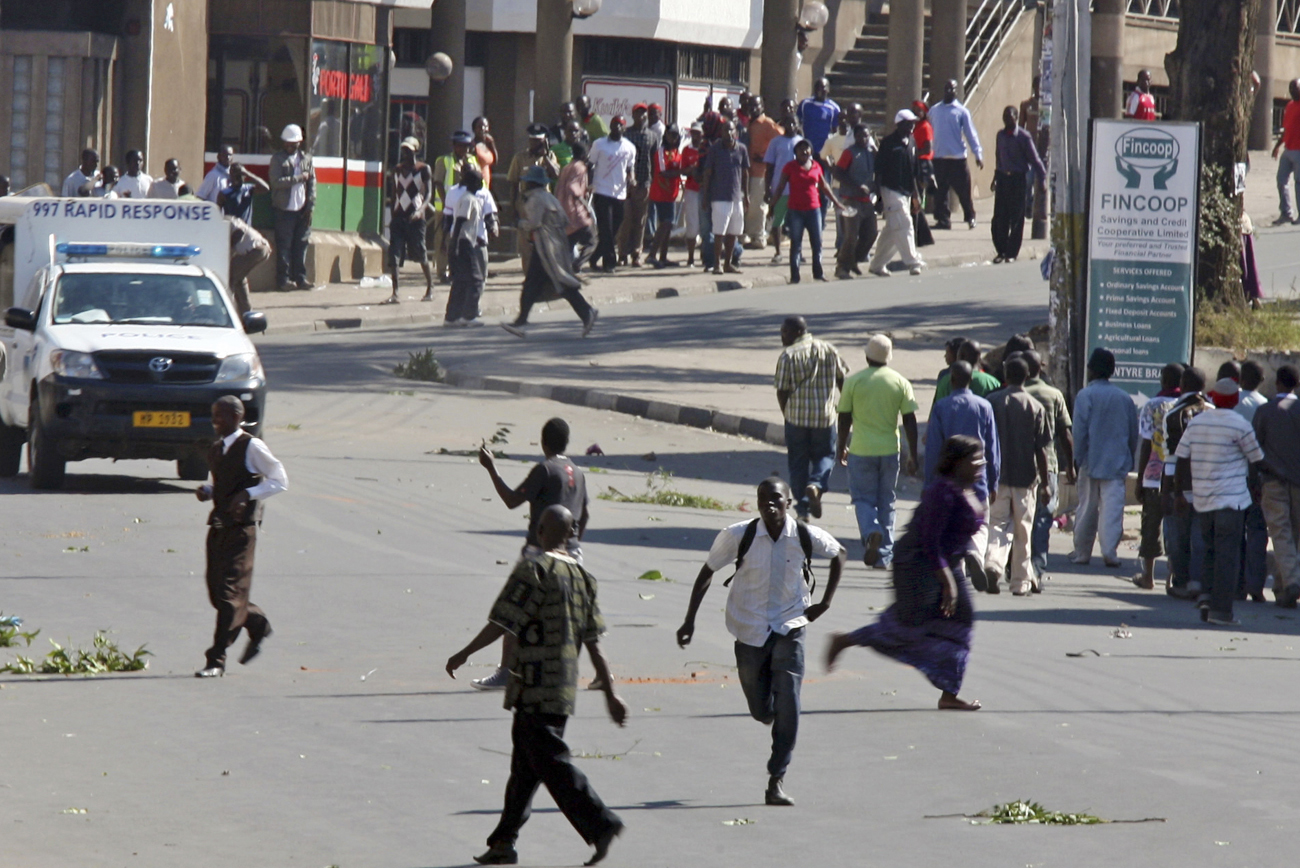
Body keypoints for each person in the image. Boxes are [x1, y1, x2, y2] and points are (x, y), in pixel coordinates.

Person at [447, 505, 626, 867]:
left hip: (533, 685)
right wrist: (610, 693)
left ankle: (601, 823)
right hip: (562, 688)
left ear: (541, 530)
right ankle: (503, 842)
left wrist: (463, 653)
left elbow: (503, 622)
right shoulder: (584, 578)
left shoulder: (535, 569)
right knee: (525, 769)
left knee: (551, 763)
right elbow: (594, 643)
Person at [676, 477, 846, 807]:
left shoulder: (804, 535)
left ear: (789, 503)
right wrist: (689, 620)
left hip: (791, 625)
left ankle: (776, 778)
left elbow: (839, 553)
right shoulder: (739, 535)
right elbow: (707, 571)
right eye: (763, 499)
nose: (769, 504)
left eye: (776, 499)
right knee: (759, 708)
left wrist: (824, 602)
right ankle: (768, 713)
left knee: (790, 702)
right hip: (749, 628)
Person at [825, 434, 985, 711]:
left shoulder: (971, 489)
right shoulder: (942, 492)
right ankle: (846, 640)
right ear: (957, 462)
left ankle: (948, 693)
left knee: (962, 620)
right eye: (974, 459)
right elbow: (929, 540)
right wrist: (947, 582)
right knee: (906, 627)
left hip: (947, 564)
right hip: (918, 565)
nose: (980, 464)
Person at [474, 418, 591, 690]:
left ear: (544, 442)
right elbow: (585, 514)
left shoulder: (545, 470)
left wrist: (491, 468)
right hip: (573, 553)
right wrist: (574, 545)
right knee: (571, 615)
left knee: (513, 610)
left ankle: (506, 672)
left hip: (539, 553)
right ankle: (585, 673)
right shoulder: (578, 471)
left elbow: (512, 500)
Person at [194, 396, 287, 678]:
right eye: (213, 415)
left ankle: (216, 659)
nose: (216, 421)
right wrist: (208, 491)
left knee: (229, 596)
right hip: (218, 527)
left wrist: (250, 494)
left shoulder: (252, 446)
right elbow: (219, 482)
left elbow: (279, 479)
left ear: (237, 416)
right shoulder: (216, 449)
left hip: (241, 531)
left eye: (221, 415)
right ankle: (257, 623)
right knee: (216, 592)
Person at [1174, 390, 1265, 626]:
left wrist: (1182, 493)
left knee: (1210, 549)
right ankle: (1221, 611)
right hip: (1231, 501)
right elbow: (1256, 460)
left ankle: (1206, 596)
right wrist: (1257, 489)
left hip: (1203, 499)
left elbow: (1182, 458)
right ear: (1235, 400)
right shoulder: (1240, 424)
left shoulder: (1197, 422)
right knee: (1227, 556)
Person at [837, 334, 920, 569]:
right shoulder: (899, 382)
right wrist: (913, 454)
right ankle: (884, 555)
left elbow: (843, 417)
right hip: (889, 451)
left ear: (866, 355)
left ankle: (871, 531)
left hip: (861, 450)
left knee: (863, 499)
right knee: (887, 501)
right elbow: (910, 420)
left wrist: (842, 446)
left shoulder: (854, 382)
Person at [925, 361, 999, 588]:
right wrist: (993, 481)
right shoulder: (984, 406)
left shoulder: (941, 407)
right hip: (977, 478)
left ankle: (957, 570)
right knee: (980, 524)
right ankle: (975, 553)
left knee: (950, 527)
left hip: (948, 481)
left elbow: (933, 448)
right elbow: (992, 448)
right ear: (971, 380)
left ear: (952, 381)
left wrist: (930, 483)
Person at [504, 166, 597, 337]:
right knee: (556, 283)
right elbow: (564, 219)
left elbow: (533, 223)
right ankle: (586, 312)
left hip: (544, 248)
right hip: (557, 245)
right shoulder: (550, 197)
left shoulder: (534, 200)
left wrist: (519, 223)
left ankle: (522, 321)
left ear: (531, 183)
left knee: (536, 283)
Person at [984, 358, 1050, 595]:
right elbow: (1041, 449)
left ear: (1005, 375)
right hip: (1025, 478)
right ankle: (1020, 582)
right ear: (1027, 377)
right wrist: (1046, 484)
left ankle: (993, 564)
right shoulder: (1035, 406)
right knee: (1023, 530)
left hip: (997, 477)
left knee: (998, 524)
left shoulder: (992, 402)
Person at [1071, 348, 1139, 569]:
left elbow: (1079, 432)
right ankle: (1110, 552)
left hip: (1090, 460)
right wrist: (1128, 458)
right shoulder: (1124, 398)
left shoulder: (1085, 395)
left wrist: (1077, 458)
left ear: (1090, 370)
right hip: (1116, 462)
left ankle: (1082, 552)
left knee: (1087, 507)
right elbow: (1133, 433)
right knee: (1112, 508)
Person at [775, 317, 850, 519]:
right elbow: (843, 381)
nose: (782, 336)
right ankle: (816, 485)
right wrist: (845, 408)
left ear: (798, 332)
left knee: (798, 463)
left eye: (785, 332)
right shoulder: (829, 349)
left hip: (796, 418)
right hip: (825, 418)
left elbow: (781, 391)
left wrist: (787, 413)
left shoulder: (787, 356)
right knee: (825, 456)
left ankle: (803, 508)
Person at [1023, 350, 1074, 585]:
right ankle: (1037, 568)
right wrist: (1070, 466)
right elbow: (1065, 434)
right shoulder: (1054, 395)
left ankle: (1017, 568)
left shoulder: (1014, 394)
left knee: (1019, 518)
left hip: (1018, 467)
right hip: (1049, 466)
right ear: (1041, 366)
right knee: (1042, 519)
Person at [1163, 367, 1213, 598]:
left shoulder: (1173, 414)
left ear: (1182, 384)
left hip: (1179, 484)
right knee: (1201, 536)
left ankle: (1181, 581)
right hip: (1208, 482)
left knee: (1177, 536)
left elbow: (1172, 456)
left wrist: (1169, 488)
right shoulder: (1214, 412)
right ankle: (1198, 582)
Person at [1133, 363, 1184, 589]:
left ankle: (1148, 576)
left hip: (1154, 475)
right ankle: (1174, 574)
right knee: (1177, 526)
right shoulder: (1192, 406)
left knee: (1151, 525)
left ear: (1163, 381)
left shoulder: (1153, 405)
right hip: (1182, 478)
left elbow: (1146, 444)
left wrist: (1140, 477)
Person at [766, 138, 844, 283]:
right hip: (796, 211)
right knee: (796, 244)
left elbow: (824, 186)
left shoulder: (816, 167)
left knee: (817, 243)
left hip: (814, 210)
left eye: (807, 148)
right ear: (795, 152)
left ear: (811, 152)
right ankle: (795, 276)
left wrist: (836, 202)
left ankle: (818, 273)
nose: (804, 151)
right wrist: (772, 206)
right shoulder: (790, 167)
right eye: (801, 149)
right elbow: (780, 187)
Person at [1253, 365, 1300, 607]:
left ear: (1277, 383)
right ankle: (1283, 591)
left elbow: (1254, 449)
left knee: (1280, 532)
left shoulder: (1265, 411)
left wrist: (1254, 481)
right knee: (1294, 534)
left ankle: (1291, 582)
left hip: (1272, 480)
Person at [867, 109, 924, 277]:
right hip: (890, 190)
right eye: (908, 123)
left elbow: (913, 171)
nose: (912, 126)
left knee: (893, 230)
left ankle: (877, 264)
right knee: (905, 222)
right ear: (899, 124)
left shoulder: (912, 142)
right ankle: (913, 262)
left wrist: (915, 195)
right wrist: (878, 196)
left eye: (913, 122)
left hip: (906, 191)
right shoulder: (888, 143)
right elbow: (879, 171)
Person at [381, 137, 435, 305]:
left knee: (420, 253)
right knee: (394, 254)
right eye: (404, 150)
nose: (406, 153)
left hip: (415, 218)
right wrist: (392, 215)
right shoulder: (396, 170)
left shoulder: (423, 169)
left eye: (409, 150)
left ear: (416, 151)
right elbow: (393, 193)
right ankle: (395, 292)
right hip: (398, 217)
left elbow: (428, 194)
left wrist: (421, 210)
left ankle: (430, 287)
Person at [442, 166, 498, 327]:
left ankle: (452, 317)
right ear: (471, 183)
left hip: (465, 242)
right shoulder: (468, 200)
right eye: (478, 181)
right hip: (464, 242)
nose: (481, 183)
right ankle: (468, 315)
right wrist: (454, 245)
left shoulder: (472, 198)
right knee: (476, 279)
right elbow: (459, 221)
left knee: (461, 281)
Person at [991, 106, 1045, 264]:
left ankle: (1011, 252)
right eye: (1005, 117)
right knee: (999, 218)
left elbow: (1035, 160)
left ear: (1016, 118)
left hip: (1017, 179)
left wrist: (1042, 179)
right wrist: (995, 177)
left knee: (1016, 218)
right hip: (1002, 179)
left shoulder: (1024, 137)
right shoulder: (1000, 135)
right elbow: (998, 157)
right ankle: (1000, 250)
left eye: (1011, 117)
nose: (1008, 120)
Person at [928, 80, 984, 230]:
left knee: (964, 192)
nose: (948, 91)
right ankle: (943, 220)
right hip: (939, 158)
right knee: (940, 193)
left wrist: (978, 154)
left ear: (956, 91)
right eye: (946, 89)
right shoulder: (934, 110)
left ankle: (970, 217)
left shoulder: (962, 111)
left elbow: (970, 134)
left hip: (957, 159)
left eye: (952, 89)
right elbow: (929, 132)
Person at [508, 124, 561, 276]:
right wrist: (513, 209)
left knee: (545, 242)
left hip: (544, 205)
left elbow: (555, 175)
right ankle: (528, 276)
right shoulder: (520, 158)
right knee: (526, 245)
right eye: (532, 140)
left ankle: (544, 275)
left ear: (544, 141)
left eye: (538, 141)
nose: (534, 144)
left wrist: (545, 155)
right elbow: (513, 184)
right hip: (525, 205)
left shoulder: (549, 157)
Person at [269, 124, 316, 291]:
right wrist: (297, 178)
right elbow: (275, 183)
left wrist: (310, 206)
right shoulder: (278, 159)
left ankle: (300, 278)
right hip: (284, 210)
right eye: (286, 144)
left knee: (301, 245)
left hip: (301, 209)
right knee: (284, 246)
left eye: (292, 144)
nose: (289, 147)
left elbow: (312, 183)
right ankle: (283, 280)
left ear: (298, 144)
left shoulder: (306, 159)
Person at [701, 118, 750, 276]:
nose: (728, 133)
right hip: (719, 197)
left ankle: (728, 263)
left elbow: (745, 174)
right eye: (725, 130)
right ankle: (717, 264)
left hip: (737, 197)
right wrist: (705, 196)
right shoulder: (715, 149)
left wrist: (746, 196)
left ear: (735, 132)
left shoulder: (742, 149)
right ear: (721, 133)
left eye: (731, 130)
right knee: (719, 233)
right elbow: (708, 174)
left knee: (733, 233)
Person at [587, 116, 636, 273]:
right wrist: (588, 184)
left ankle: (594, 257)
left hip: (619, 193)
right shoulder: (599, 144)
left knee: (614, 229)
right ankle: (610, 263)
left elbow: (630, 168)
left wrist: (632, 179)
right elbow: (590, 164)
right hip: (602, 191)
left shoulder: (629, 147)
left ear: (624, 128)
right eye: (614, 125)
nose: (616, 127)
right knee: (606, 229)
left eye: (620, 125)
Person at [432, 131, 480, 283]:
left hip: (465, 207)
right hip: (445, 208)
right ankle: (442, 272)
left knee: (462, 238)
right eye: (461, 146)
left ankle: (457, 270)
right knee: (443, 239)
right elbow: (438, 183)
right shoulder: (444, 160)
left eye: (467, 146)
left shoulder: (472, 160)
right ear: (454, 146)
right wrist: (448, 204)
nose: (464, 149)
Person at [616, 104, 660, 268]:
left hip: (644, 182)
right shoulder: (626, 134)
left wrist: (652, 181)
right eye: (638, 113)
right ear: (633, 115)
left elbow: (654, 159)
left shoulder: (652, 136)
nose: (641, 116)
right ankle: (622, 253)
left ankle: (636, 253)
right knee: (625, 219)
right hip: (626, 183)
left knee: (640, 221)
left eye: (643, 114)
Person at [834, 123, 878, 279]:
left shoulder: (871, 153)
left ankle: (853, 260)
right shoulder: (849, 153)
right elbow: (838, 173)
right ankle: (842, 267)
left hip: (867, 200)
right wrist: (856, 186)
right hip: (850, 200)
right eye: (860, 136)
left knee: (871, 233)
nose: (863, 139)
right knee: (851, 236)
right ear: (855, 137)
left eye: (866, 135)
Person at [763, 116, 804, 265]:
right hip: (779, 188)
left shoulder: (801, 142)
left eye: (794, 122)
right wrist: (768, 189)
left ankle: (798, 251)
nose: (791, 125)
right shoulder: (775, 142)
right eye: (788, 122)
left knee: (798, 222)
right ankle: (778, 251)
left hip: (798, 189)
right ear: (783, 124)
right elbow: (769, 168)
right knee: (777, 221)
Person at [745, 97, 780, 249]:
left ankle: (759, 238)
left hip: (760, 172)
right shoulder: (749, 123)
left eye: (756, 105)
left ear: (762, 106)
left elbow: (782, 140)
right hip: (747, 171)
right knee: (749, 205)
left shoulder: (767, 124)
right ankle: (749, 235)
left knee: (758, 206)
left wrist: (767, 156)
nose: (753, 108)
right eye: (751, 106)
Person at [556, 139, 596, 273]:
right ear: (584, 155)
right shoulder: (580, 167)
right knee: (592, 241)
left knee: (569, 243)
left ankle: (562, 271)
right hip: (576, 213)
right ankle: (577, 264)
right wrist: (586, 206)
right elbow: (573, 188)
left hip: (564, 211)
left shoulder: (567, 167)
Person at [648, 126, 684, 268]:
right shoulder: (661, 152)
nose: (673, 138)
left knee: (668, 226)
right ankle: (652, 254)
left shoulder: (676, 152)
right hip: (660, 193)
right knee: (666, 223)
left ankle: (663, 257)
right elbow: (663, 172)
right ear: (665, 135)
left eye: (676, 135)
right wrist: (683, 170)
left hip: (671, 194)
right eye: (671, 134)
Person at [227, 216, 271, 316]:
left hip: (254, 249)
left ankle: (229, 310)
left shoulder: (226, 222)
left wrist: (230, 250)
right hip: (262, 247)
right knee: (239, 276)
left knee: (231, 276)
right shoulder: (233, 220)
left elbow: (239, 234)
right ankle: (245, 311)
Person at [1272, 78, 1300, 225]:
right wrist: (1277, 146)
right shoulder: (1289, 106)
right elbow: (1286, 129)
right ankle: (1286, 213)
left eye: (1295, 89)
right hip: (1288, 149)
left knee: (1299, 183)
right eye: (1291, 89)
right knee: (1281, 180)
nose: (1293, 92)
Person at [934, 340, 1000, 399]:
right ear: (979, 356)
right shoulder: (993, 382)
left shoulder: (946, 381)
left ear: (961, 356)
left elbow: (936, 410)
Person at [797, 77, 841, 158]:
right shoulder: (805, 104)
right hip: (806, 149)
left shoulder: (834, 108)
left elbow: (835, 131)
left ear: (828, 89)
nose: (820, 89)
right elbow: (797, 123)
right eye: (817, 86)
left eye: (823, 87)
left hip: (824, 150)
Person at [681, 123, 706, 267]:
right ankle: (690, 257)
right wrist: (691, 170)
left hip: (705, 190)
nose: (696, 136)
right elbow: (683, 170)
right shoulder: (687, 150)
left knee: (705, 224)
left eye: (698, 133)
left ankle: (704, 255)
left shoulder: (707, 149)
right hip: (691, 190)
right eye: (693, 133)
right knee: (692, 224)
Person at [471, 116, 498, 190]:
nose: (483, 129)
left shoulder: (487, 144)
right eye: (480, 126)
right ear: (474, 129)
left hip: (487, 184)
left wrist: (492, 143)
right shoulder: (472, 146)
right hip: (476, 185)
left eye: (486, 126)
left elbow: (495, 161)